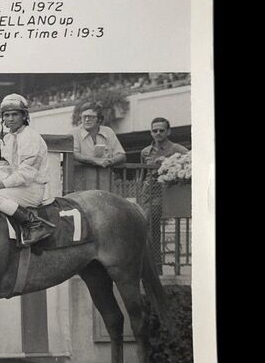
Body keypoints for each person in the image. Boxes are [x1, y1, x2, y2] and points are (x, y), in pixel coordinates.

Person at [0, 94, 56, 248]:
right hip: (17, 187)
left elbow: (26, 175)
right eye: (6, 115)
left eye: (15, 114)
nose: (10, 119)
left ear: (24, 116)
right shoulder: (6, 139)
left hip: (33, 189)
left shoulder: (31, 137)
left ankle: (35, 224)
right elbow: (5, 170)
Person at [139, 118, 189, 270]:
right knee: (147, 226)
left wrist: (169, 161)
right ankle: (154, 265)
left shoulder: (177, 149)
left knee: (151, 223)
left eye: (161, 130)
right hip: (148, 192)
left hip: (167, 191)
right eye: (155, 130)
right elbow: (142, 173)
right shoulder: (145, 151)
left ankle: (156, 265)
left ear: (168, 131)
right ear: (151, 132)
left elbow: (190, 160)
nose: (158, 133)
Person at [71, 102, 127, 192]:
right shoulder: (75, 133)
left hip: (105, 182)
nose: (87, 120)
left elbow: (121, 155)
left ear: (100, 119)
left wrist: (109, 161)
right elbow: (74, 154)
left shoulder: (108, 131)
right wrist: (94, 160)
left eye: (91, 117)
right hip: (83, 183)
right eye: (84, 117)